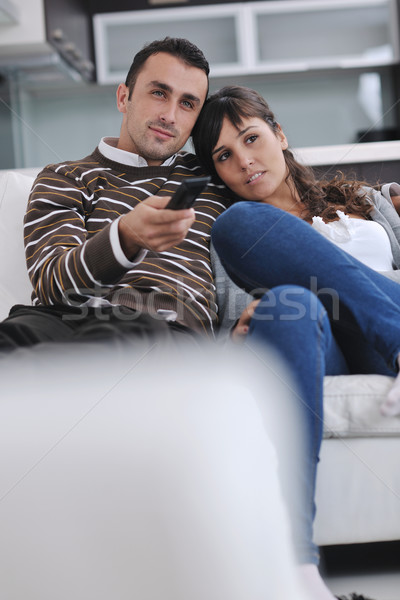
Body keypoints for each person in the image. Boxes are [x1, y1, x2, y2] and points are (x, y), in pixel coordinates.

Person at [191, 85, 400, 600]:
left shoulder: (367, 201)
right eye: (224, 155)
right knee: (284, 288)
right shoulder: (228, 237)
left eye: (251, 138)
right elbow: (221, 335)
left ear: (279, 134)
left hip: (383, 326)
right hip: (319, 350)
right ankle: (297, 569)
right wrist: (236, 337)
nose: (245, 160)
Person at [0, 37, 233, 350]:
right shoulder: (64, 177)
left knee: (124, 336)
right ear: (124, 98)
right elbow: (53, 284)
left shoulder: (215, 174)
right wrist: (126, 235)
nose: (170, 115)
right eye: (159, 93)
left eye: (188, 103)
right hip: (58, 320)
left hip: (159, 326)